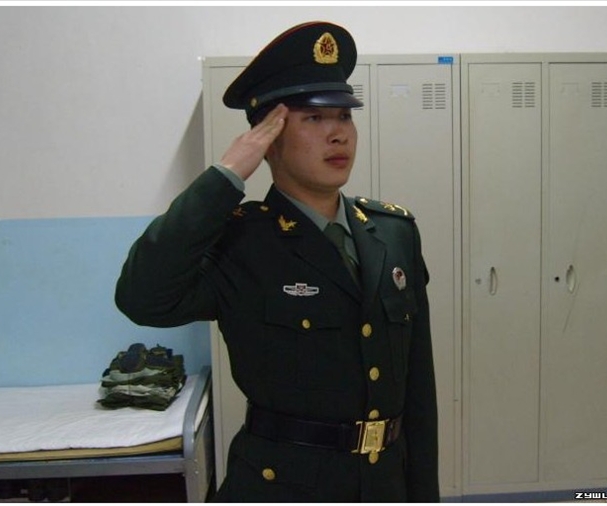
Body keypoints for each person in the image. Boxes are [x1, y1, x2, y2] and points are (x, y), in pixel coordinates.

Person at [115, 21, 439, 502]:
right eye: (313, 118)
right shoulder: (242, 243)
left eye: (344, 116)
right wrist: (225, 177)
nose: (338, 134)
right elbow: (142, 298)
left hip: (383, 485)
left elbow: (418, 391)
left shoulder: (393, 232)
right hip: (282, 486)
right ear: (269, 138)